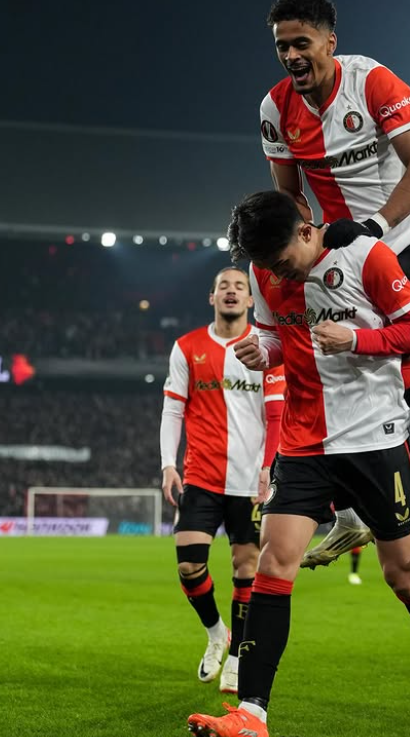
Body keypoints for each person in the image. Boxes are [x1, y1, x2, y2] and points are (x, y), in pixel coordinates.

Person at [187, 192, 410, 737]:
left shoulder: (367, 257)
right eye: (266, 267)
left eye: (281, 262)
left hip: (374, 438)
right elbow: (274, 335)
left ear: (305, 232)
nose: (276, 275)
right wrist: (262, 351)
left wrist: (356, 339)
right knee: (274, 564)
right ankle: (252, 713)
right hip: (303, 442)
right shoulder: (264, 270)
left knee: (402, 574)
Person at [259, 0, 410, 563]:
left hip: (400, 246)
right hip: (337, 256)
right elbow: (288, 196)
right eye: (281, 46)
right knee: (317, 372)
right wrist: (296, 243)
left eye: (301, 43)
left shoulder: (373, 84)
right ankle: (346, 517)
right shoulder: (275, 108)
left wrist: (373, 227)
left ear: (330, 42)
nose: (291, 56)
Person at [160, 267, 285, 694]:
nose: (231, 291)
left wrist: (269, 468)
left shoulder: (266, 350)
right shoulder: (187, 347)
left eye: (240, 286)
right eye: (223, 286)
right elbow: (173, 409)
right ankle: (217, 633)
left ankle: (235, 659)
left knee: (245, 568)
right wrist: (168, 464)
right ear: (211, 297)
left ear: (251, 300)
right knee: (188, 564)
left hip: (250, 481)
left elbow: (276, 416)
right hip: (201, 477)